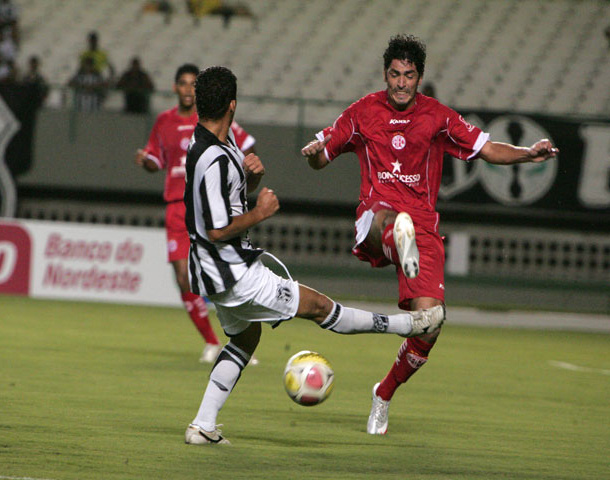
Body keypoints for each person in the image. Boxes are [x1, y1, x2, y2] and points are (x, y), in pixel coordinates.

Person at [301, 34, 558, 436]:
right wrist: (314, 152)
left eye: (409, 75)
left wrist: (528, 153)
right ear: (385, 74)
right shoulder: (361, 112)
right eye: (394, 74)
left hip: (422, 228)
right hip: (376, 217)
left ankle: (383, 394)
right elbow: (321, 157)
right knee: (384, 218)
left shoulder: (438, 117)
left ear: (419, 77)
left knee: (430, 325)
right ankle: (395, 240)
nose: (401, 83)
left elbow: (488, 150)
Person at [183, 66, 445, 445]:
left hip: (215, 272)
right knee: (321, 308)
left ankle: (203, 426)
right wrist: (261, 212)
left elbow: (222, 201)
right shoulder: (214, 158)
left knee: (244, 340)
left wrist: (250, 180)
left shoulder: (216, 147)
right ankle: (409, 325)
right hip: (232, 271)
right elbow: (216, 228)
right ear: (233, 105)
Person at [135, 63, 255, 364]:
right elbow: (155, 159)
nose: (188, 89)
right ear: (175, 87)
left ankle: (240, 342)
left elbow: (245, 146)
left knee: (225, 275)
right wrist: (146, 161)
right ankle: (212, 342)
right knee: (182, 278)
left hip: (209, 203)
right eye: (183, 83)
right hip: (176, 205)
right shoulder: (163, 121)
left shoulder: (210, 117)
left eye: (193, 84)